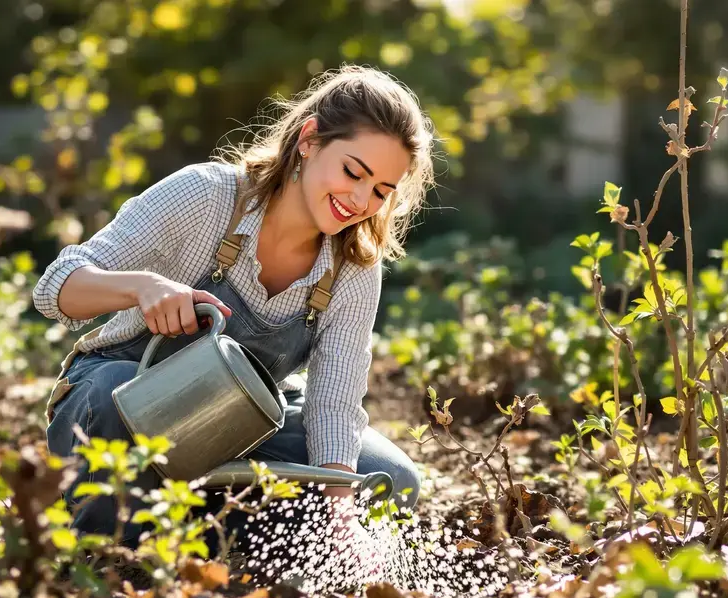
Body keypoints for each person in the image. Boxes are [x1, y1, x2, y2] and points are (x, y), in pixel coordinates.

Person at [33, 64, 435, 550]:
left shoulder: (353, 268)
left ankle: (214, 539)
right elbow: (55, 288)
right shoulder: (206, 195)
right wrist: (142, 287)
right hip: (118, 405)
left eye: (381, 191)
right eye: (354, 172)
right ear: (309, 140)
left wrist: (340, 513)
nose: (360, 199)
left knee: (389, 479)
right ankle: (110, 547)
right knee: (114, 393)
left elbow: (334, 401)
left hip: (237, 430)